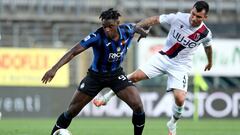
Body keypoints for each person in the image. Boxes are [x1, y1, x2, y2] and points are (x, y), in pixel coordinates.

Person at [93, 1, 213, 135]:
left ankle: (172, 123)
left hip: (181, 66)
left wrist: (210, 62)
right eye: (193, 14)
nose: (194, 18)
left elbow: (208, 47)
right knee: (135, 76)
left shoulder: (205, 33)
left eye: (198, 17)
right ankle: (107, 97)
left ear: (205, 18)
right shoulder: (178, 17)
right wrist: (136, 27)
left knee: (180, 99)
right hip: (163, 58)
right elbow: (155, 19)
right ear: (191, 10)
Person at [42, 8, 147, 135]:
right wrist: (54, 68)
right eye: (104, 26)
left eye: (110, 26)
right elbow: (73, 51)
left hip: (116, 75)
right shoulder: (97, 36)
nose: (107, 29)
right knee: (72, 111)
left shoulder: (127, 30)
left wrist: (143, 32)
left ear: (118, 23)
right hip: (95, 77)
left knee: (138, 106)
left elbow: (138, 27)